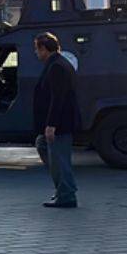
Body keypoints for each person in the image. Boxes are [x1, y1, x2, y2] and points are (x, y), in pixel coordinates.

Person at [34, 32, 80, 208]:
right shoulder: (58, 63)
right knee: (45, 147)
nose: (36, 53)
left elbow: (58, 98)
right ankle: (63, 189)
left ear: (44, 49)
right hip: (60, 122)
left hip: (59, 123)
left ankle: (66, 194)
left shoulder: (56, 67)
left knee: (59, 159)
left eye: (37, 49)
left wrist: (51, 125)